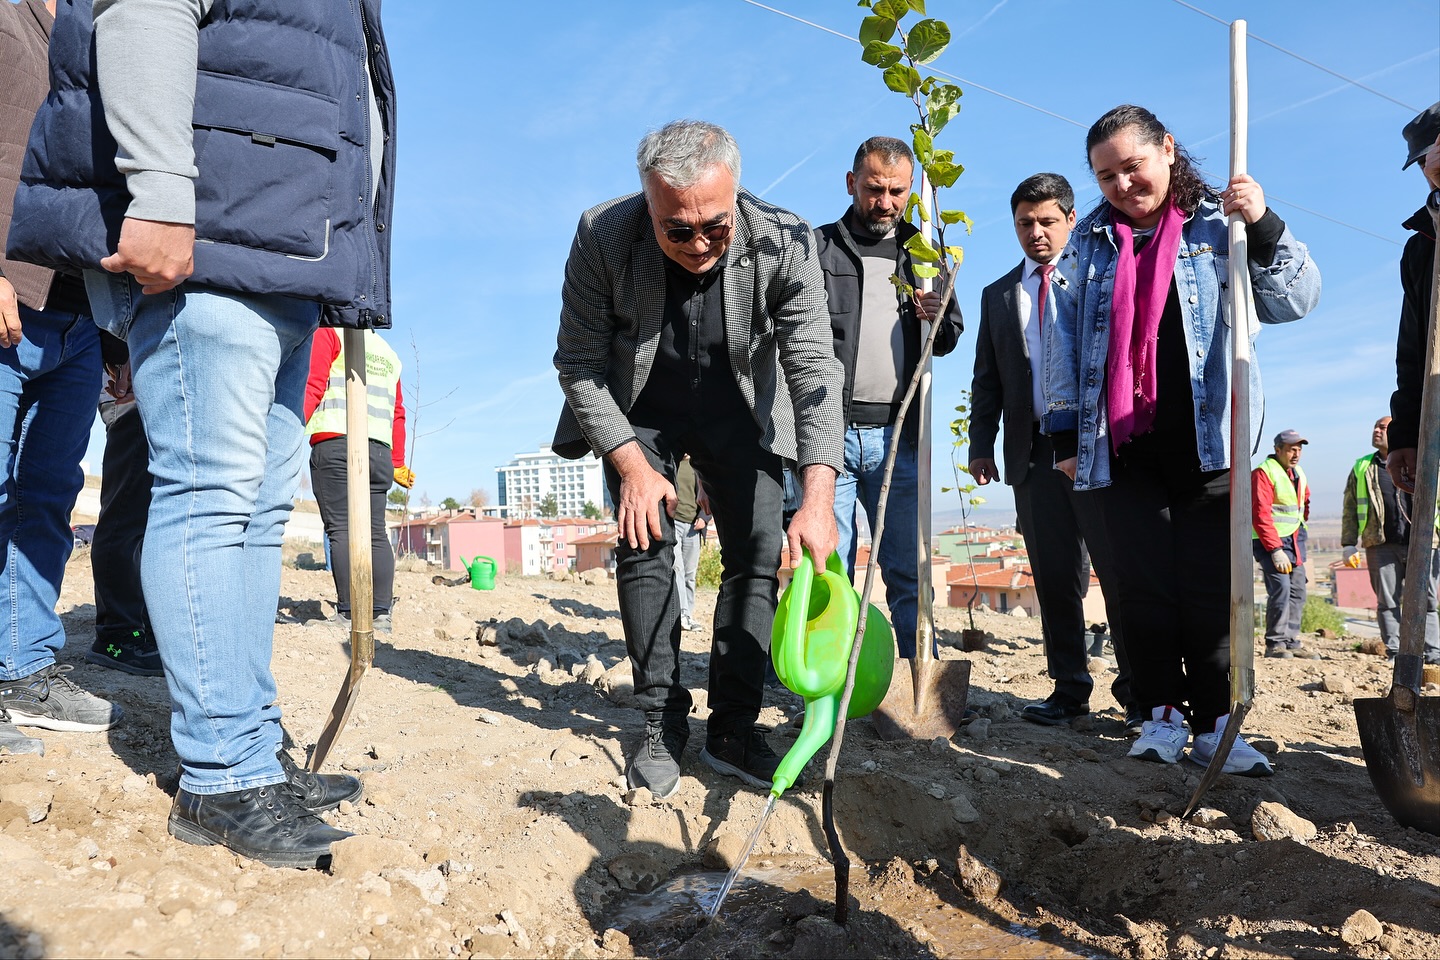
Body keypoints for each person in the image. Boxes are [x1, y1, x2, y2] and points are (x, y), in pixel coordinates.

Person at [7, 0, 396, 867]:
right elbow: (143, 13)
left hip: (287, 255)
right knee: (211, 499)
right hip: (216, 236)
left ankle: (250, 747)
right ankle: (222, 775)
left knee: (256, 511)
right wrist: (158, 191)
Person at [552, 120, 843, 799]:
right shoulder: (603, 234)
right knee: (645, 541)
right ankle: (660, 720)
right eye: (674, 230)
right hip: (639, 408)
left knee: (759, 551)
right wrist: (630, 465)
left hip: (741, 409)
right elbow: (580, 364)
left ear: (736, 194)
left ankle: (735, 727)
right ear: (648, 204)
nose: (698, 245)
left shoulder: (787, 238)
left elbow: (813, 370)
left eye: (713, 226)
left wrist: (820, 500)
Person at [1044, 104, 1321, 778]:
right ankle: (1160, 714)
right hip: (1120, 448)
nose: (1121, 185)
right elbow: (1062, 340)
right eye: (1106, 176)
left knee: (1211, 589)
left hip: (1210, 443)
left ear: (1166, 150)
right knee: (1142, 590)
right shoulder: (1089, 244)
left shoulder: (1217, 228)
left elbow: (1297, 298)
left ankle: (1218, 724)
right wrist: (1062, 436)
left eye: (1131, 167)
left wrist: (1262, 223)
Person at [970, 172, 1138, 731]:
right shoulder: (998, 295)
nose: (1036, 232)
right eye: (1025, 223)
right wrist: (980, 445)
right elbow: (987, 380)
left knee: (1117, 571)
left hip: (1096, 448)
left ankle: (1139, 693)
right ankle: (1069, 689)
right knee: (1054, 575)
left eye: (1047, 221)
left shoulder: (1096, 281)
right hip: (1031, 456)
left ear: (1070, 219)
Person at [0, 0, 114, 759]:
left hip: (79, 309)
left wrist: (120, 328)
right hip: (10, 288)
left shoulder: (107, 33)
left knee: (47, 494)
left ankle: (22, 664)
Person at [813, 136, 963, 659]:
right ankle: (832, 681)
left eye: (898, 192)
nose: (886, 202)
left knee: (907, 566)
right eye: (875, 189)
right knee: (830, 570)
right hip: (828, 439)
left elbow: (948, 337)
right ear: (852, 183)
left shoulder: (924, 253)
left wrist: (936, 313)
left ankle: (915, 669)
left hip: (901, 438)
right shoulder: (817, 248)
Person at [304, 327, 411, 631]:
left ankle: (349, 613)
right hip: (378, 451)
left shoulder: (330, 333)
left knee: (341, 528)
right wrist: (398, 463)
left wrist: (291, 425)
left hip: (337, 443)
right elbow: (398, 413)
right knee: (376, 531)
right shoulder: (389, 354)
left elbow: (313, 384)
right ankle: (380, 615)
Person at [86, 336, 162, 676]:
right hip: (130, 390)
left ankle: (140, 630)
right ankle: (117, 637)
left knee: (148, 521)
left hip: (151, 385)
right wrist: (122, 356)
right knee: (124, 516)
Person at [1342, 416, 1440, 663]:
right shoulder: (1362, 466)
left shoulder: (1423, 459)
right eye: (1375, 426)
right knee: (1387, 602)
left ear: (1396, 432)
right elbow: (1350, 507)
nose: (1376, 430)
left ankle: (1432, 653)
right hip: (1381, 545)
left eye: (1383, 427)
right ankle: (1395, 652)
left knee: (1427, 600)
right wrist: (1348, 544)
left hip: (1423, 544)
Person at [1388, 101, 1439, 498]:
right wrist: (1405, 433)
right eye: (1422, 163)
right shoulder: (1421, 246)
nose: (1428, 170)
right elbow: (1414, 349)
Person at [1251, 430, 1314, 659]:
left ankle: (1290, 640)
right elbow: (1260, 514)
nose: (1296, 454)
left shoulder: (1298, 473)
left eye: (1299, 449)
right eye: (1291, 449)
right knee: (1281, 589)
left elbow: (1303, 503)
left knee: (1298, 590)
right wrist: (1275, 550)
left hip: (1294, 539)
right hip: (1270, 541)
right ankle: (1275, 643)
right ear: (1278, 450)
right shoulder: (1264, 472)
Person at [671, 455, 707, 632]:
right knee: (677, 569)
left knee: (690, 574)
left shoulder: (699, 464)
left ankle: (688, 615)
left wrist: (704, 518)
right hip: (674, 523)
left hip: (694, 526)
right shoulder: (673, 462)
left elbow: (710, 492)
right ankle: (681, 615)